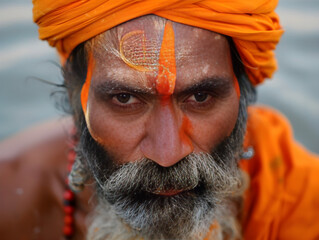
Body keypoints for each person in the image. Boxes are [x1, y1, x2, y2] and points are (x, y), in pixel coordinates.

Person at [0, 0, 318, 239]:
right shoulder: (12, 201)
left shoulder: (299, 196)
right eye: (124, 98)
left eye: (200, 97)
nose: (167, 154)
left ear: (242, 94)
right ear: (75, 94)